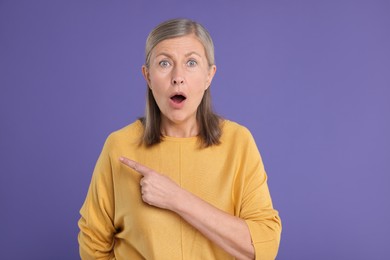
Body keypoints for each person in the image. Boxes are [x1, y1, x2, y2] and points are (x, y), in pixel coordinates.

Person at [78, 18, 282, 260]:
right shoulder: (119, 146)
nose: (178, 77)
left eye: (191, 63)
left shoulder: (238, 142)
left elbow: (263, 246)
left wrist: (176, 198)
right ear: (148, 76)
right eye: (164, 63)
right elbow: (93, 246)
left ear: (209, 76)